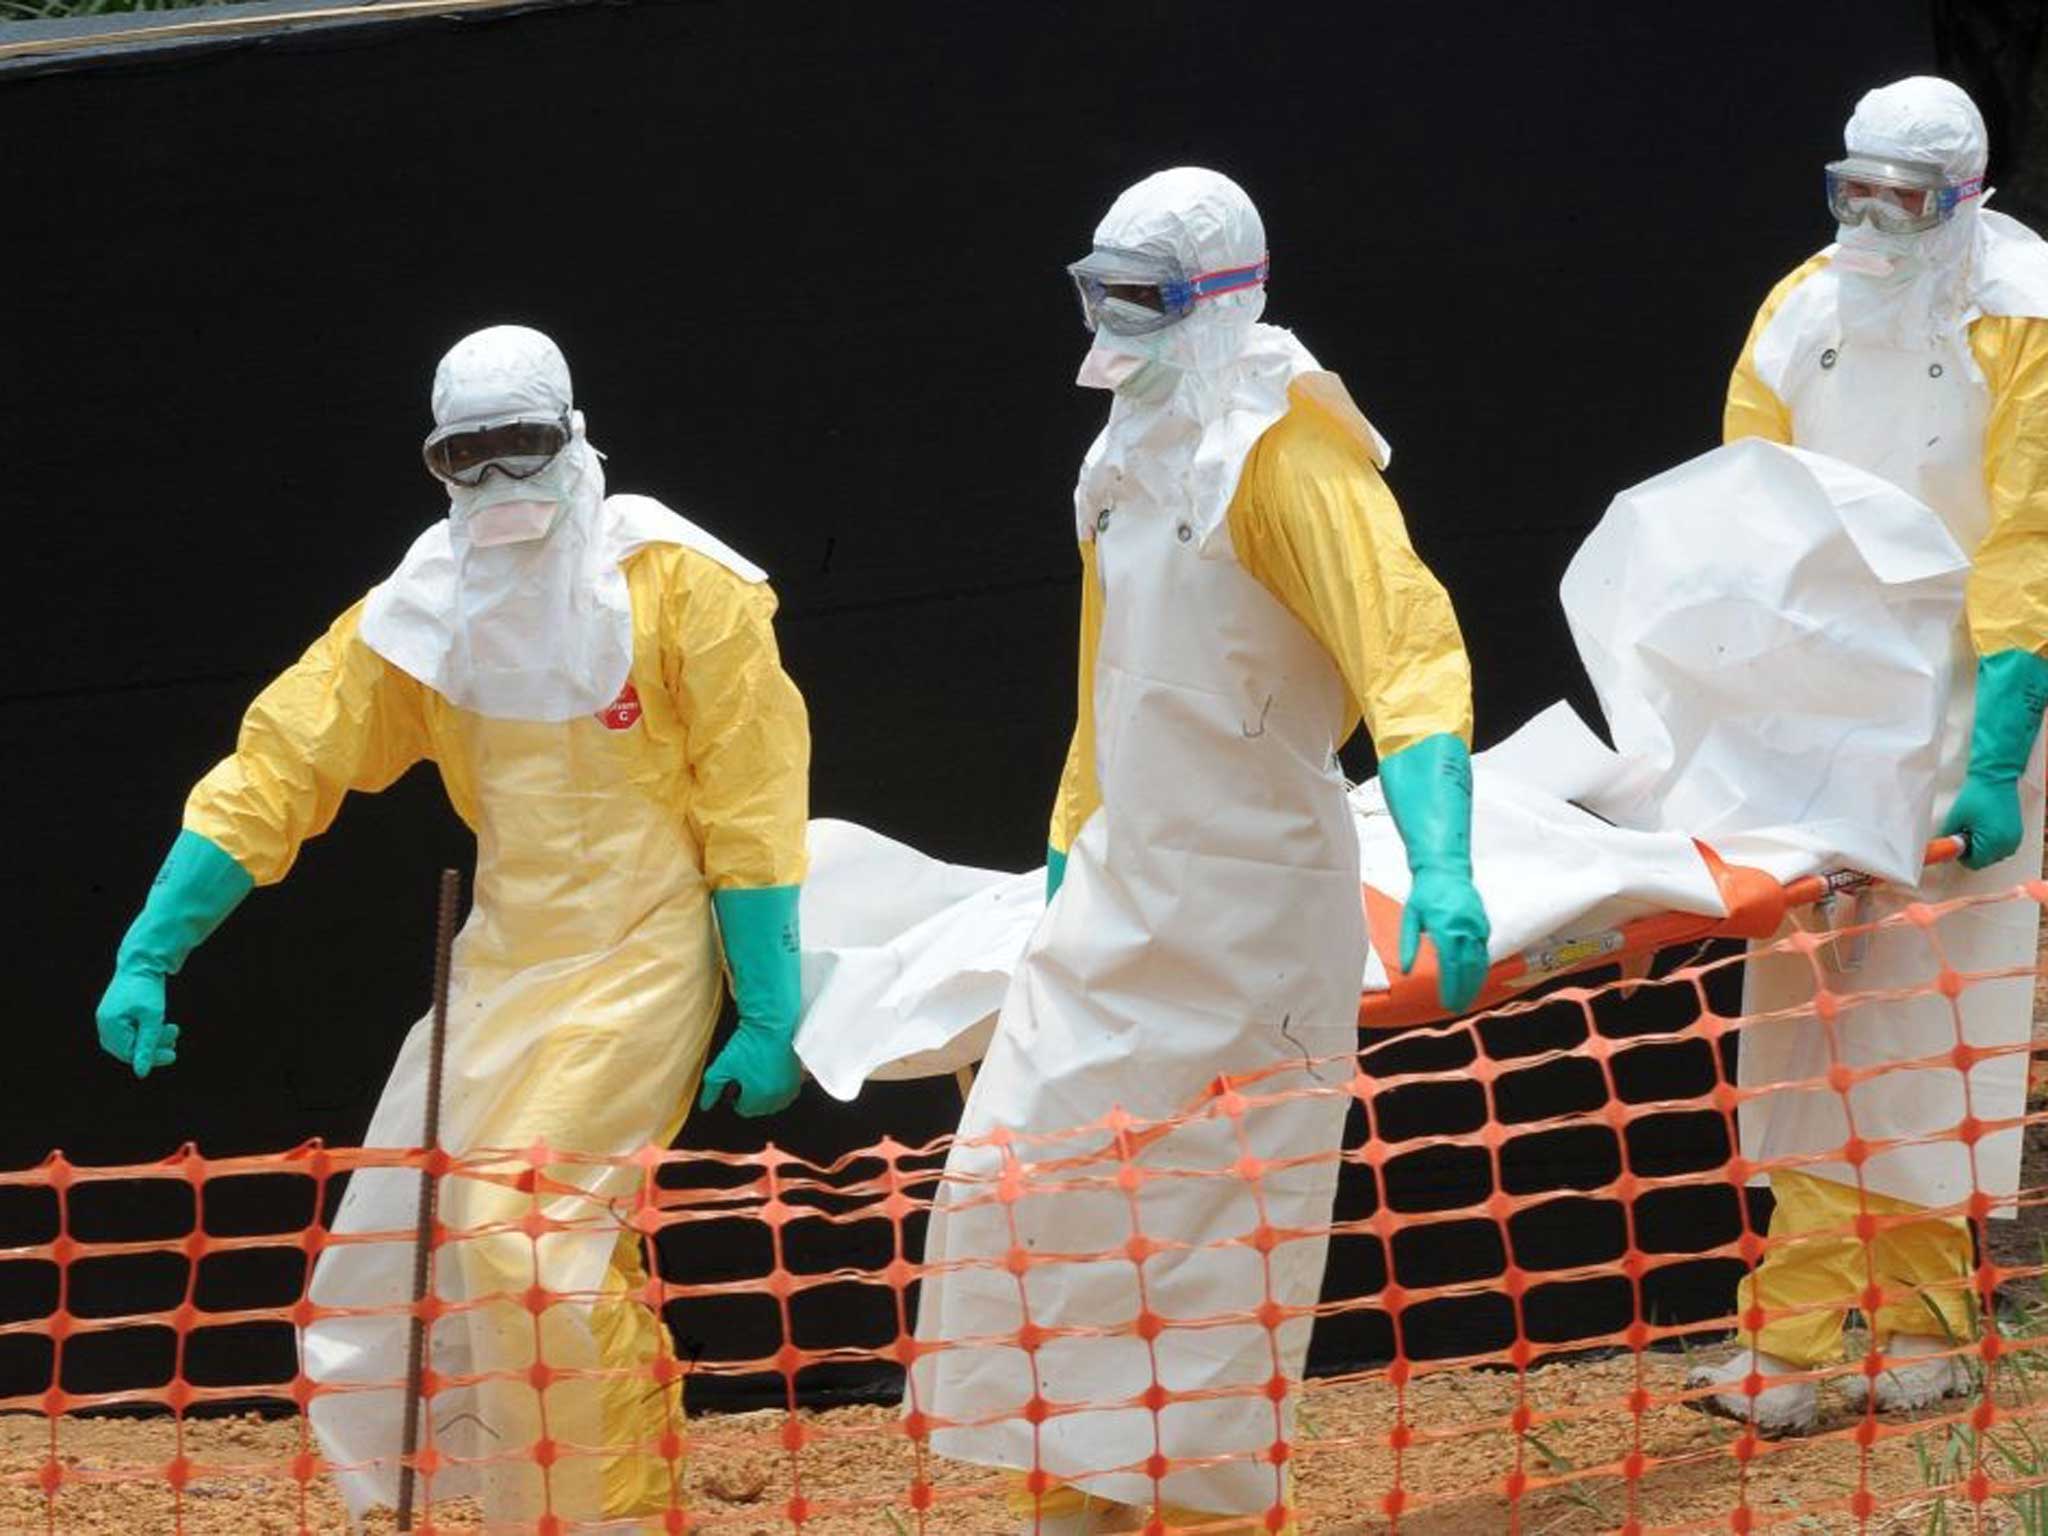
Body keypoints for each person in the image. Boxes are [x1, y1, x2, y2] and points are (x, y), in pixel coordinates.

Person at [92, 324, 811, 1526]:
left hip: (643, 950)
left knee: (520, 1232)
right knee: (414, 1256)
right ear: (434, 461)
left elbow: (751, 798)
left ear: (571, 433)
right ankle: (528, 1504)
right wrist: (153, 945)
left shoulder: (680, 583)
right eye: (461, 456)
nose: (493, 481)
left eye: (517, 446)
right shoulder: (424, 610)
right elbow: (283, 760)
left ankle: (612, 1513)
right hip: (504, 962)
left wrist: (766, 999)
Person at [910, 168, 1490, 1536]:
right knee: (1026, 1188)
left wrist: (1445, 862)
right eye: (1098, 290)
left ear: (1224, 298)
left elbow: (1407, 660)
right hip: (1121, 898)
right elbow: (1110, 680)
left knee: (1213, 1252)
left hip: (1253, 921)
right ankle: (1077, 1496)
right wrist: (1069, 844)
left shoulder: (1292, 457)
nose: (1113, 324)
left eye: (1143, 297)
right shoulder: (1119, 456)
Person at [1691, 76, 2048, 1436]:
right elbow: (1743, 509)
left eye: (1905, 199)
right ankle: (1795, 1331)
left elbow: (2030, 540)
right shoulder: (1801, 310)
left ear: (1963, 200)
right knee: (1804, 1023)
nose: (1874, 221)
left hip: (1969, 701)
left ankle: (1918, 1325)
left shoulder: (2027, 318)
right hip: (1823, 699)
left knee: (1922, 1023)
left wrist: (2001, 755)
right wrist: (1737, 710)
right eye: (1856, 191)